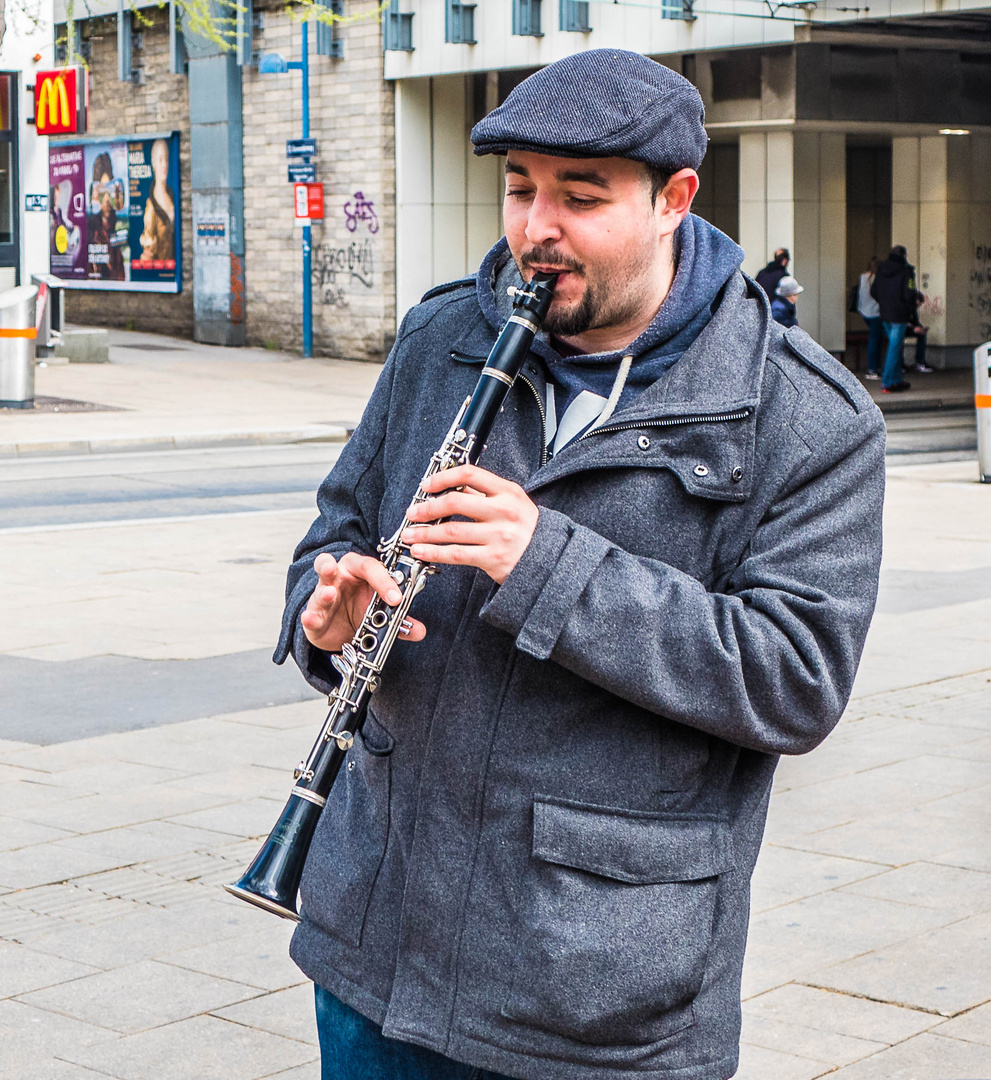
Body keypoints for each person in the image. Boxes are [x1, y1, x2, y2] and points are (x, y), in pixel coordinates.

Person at [275, 49, 885, 1080]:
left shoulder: (805, 415)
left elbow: (794, 680)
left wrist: (546, 563)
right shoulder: (440, 339)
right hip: (376, 948)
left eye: (580, 197)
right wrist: (323, 612)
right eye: (520, 189)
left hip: (595, 988)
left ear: (673, 200)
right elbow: (333, 533)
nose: (535, 228)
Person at [871, 244, 924, 393]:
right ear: (904, 256)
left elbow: (874, 291)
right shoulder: (906, 270)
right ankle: (888, 381)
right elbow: (909, 292)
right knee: (894, 348)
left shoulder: (881, 269)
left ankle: (897, 379)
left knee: (896, 346)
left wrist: (884, 302)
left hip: (885, 313)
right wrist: (909, 310)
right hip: (899, 314)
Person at [139, 138, 176, 262]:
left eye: (166, 159)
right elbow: (148, 249)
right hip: (161, 267)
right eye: (160, 160)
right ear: (153, 163)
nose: (164, 164)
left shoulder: (173, 196)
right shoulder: (150, 206)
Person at [856, 256, 885, 380]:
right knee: (875, 340)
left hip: (864, 311)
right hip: (876, 313)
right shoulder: (878, 278)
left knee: (874, 339)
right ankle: (873, 368)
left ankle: (874, 367)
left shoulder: (863, 277)